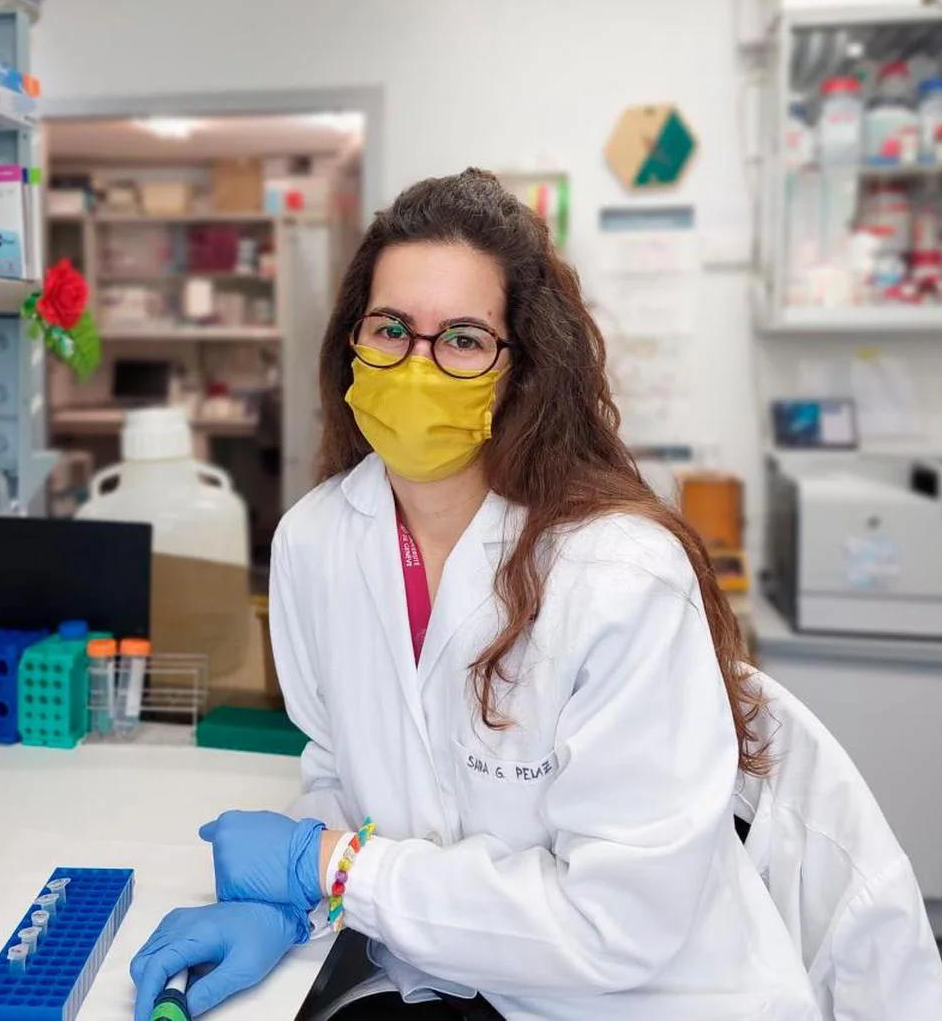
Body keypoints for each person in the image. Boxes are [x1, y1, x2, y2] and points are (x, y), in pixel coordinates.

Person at [130, 169, 822, 1021]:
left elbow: (615, 923)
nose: (416, 365)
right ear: (353, 341)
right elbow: (336, 764)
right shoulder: (315, 541)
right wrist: (288, 899)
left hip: (643, 998)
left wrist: (334, 868)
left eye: (462, 338)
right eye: (390, 329)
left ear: (521, 367)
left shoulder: (617, 574)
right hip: (440, 979)